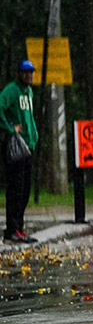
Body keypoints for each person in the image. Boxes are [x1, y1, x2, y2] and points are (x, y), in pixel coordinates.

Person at [0, 60, 38, 243]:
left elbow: (29, 116)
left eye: (31, 72)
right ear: (19, 73)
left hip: (28, 146)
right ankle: (11, 229)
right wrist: (9, 129)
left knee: (24, 189)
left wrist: (35, 135)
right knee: (15, 188)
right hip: (15, 146)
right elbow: (0, 107)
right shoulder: (12, 90)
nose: (29, 75)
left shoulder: (29, 91)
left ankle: (19, 227)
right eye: (25, 72)